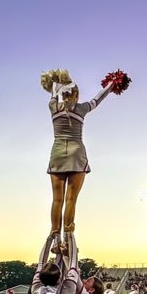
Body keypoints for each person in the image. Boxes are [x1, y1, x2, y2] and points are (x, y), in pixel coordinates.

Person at [43, 73, 115, 239]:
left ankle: (54, 235)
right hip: (77, 155)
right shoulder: (81, 108)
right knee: (71, 199)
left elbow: (54, 92)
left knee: (57, 200)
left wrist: (57, 85)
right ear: (76, 95)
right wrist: (112, 84)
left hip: (57, 155)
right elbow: (98, 98)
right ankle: (68, 235)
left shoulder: (53, 106)